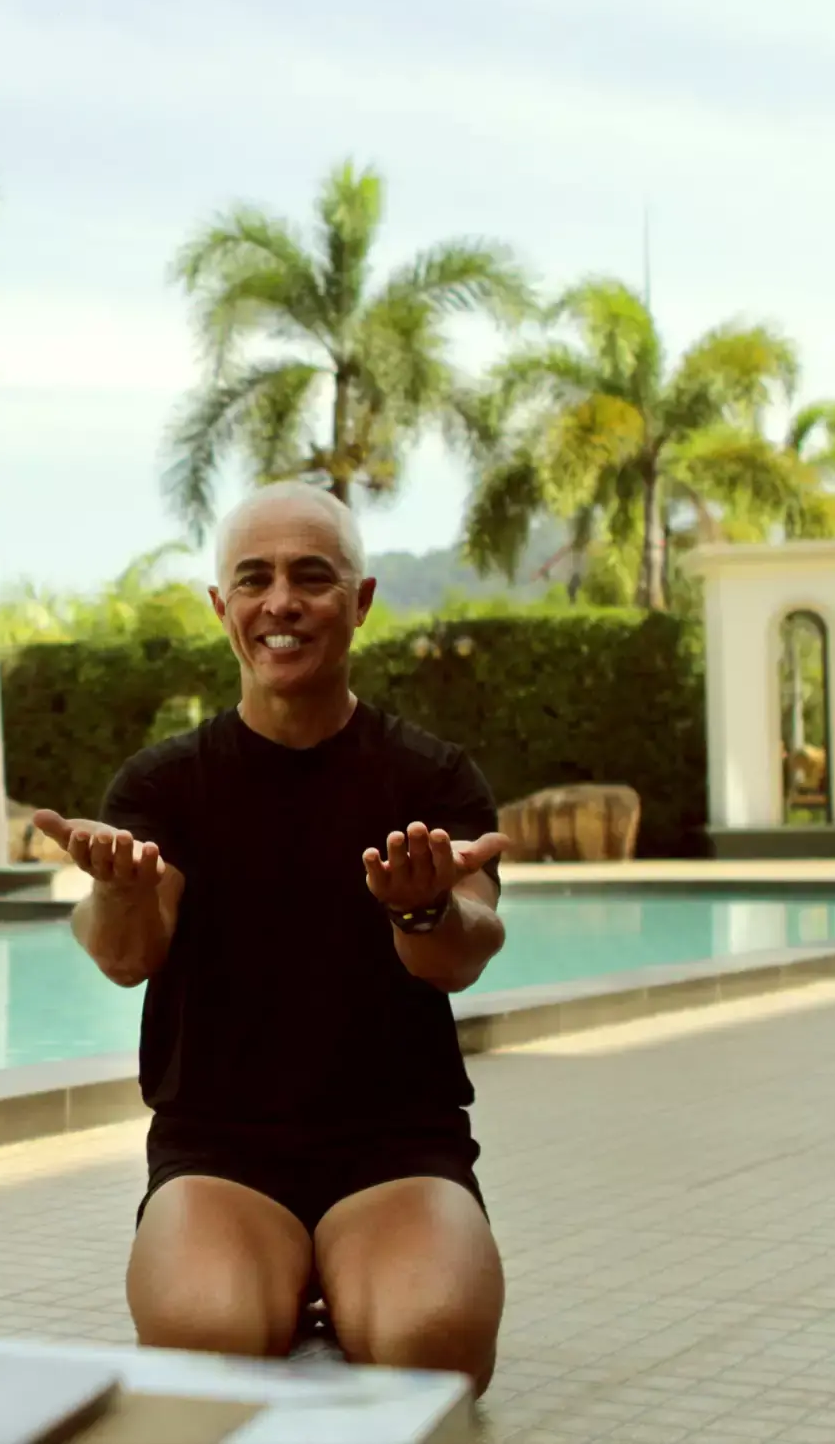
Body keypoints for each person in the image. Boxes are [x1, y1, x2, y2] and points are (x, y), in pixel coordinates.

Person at [32, 481, 510, 1396]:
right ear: (223, 607)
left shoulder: (431, 777)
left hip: (396, 1147)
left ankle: (341, 1287)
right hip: (221, 1150)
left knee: (434, 1352)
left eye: (312, 576)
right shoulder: (163, 785)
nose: (280, 602)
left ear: (360, 601)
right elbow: (126, 952)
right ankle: (283, 1290)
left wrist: (422, 906)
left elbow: (459, 948)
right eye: (254, 579)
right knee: (204, 1353)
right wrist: (122, 894)